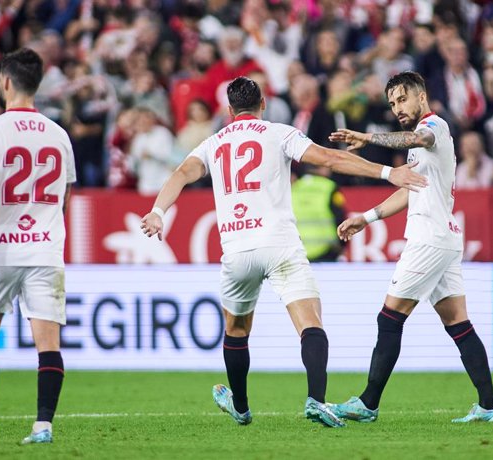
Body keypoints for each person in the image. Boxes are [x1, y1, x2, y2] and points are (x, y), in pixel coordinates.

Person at [140, 76, 426, 428]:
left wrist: (157, 211)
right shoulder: (278, 132)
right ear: (263, 104)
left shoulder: (212, 143)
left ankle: (241, 407)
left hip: (236, 247)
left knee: (237, 330)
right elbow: (327, 158)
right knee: (310, 322)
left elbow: (183, 173)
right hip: (279, 244)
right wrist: (386, 171)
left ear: (230, 112)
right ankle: (316, 400)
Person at [327, 71, 493, 424]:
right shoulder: (419, 144)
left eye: (402, 99)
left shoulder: (434, 126)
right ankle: (489, 406)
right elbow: (410, 189)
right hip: (444, 237)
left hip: (429, 239)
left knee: (389, 318)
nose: (397, 108)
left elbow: (420, 138)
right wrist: (367, 217)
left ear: (421, 96)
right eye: (392, 104)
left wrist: (367, 136)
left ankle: (369, 403)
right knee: (458, 323)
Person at [0, 48, 76, 444]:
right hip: (45, 249)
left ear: (5, 82)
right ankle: (43, 426)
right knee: (48, 343)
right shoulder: (59, 135)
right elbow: (65, 197)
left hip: (1, 250)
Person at [291, 165, 346, 262]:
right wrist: (342, 246)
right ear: (323, 167)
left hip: (298, 251)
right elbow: (340, 219)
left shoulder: (293, 187)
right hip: (326, 251)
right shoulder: (330, 187)